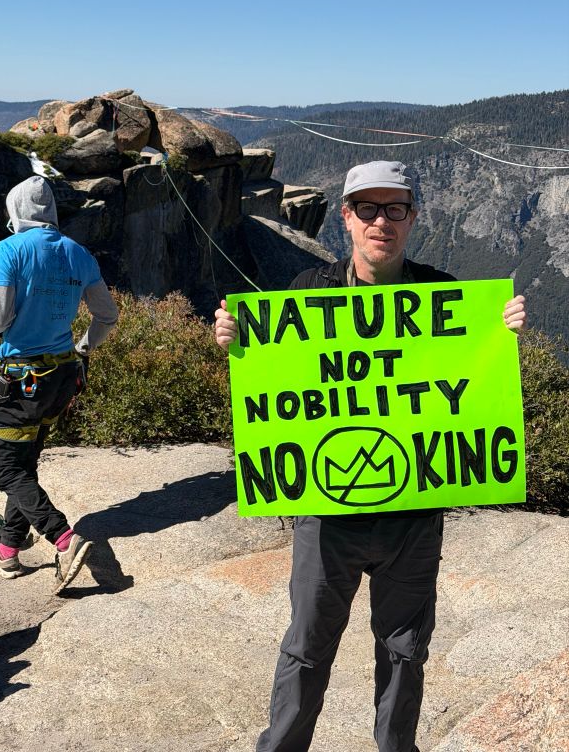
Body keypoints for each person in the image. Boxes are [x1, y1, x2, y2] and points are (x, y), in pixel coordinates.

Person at [214, 160, 527, 752]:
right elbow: (277, 387)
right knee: (306, 649)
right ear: (346, 218)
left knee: (405, 654)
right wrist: (235, 342)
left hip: (412, 519)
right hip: (326, 517)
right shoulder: (306, 292)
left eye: (395, 209)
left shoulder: (447, 295)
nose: (381, 221)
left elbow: (471, 380)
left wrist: (501, 330)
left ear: (412, 217)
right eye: (368, 209)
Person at [0, 175, 119, 592]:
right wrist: (82, 347)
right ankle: (8, 553)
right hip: (61, 377)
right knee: (24, 465)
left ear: (16, 211)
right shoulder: (80, 254)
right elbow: (106, 316)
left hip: (22, 378)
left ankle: (63, 538)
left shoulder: (10, 250)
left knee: (5, 470)